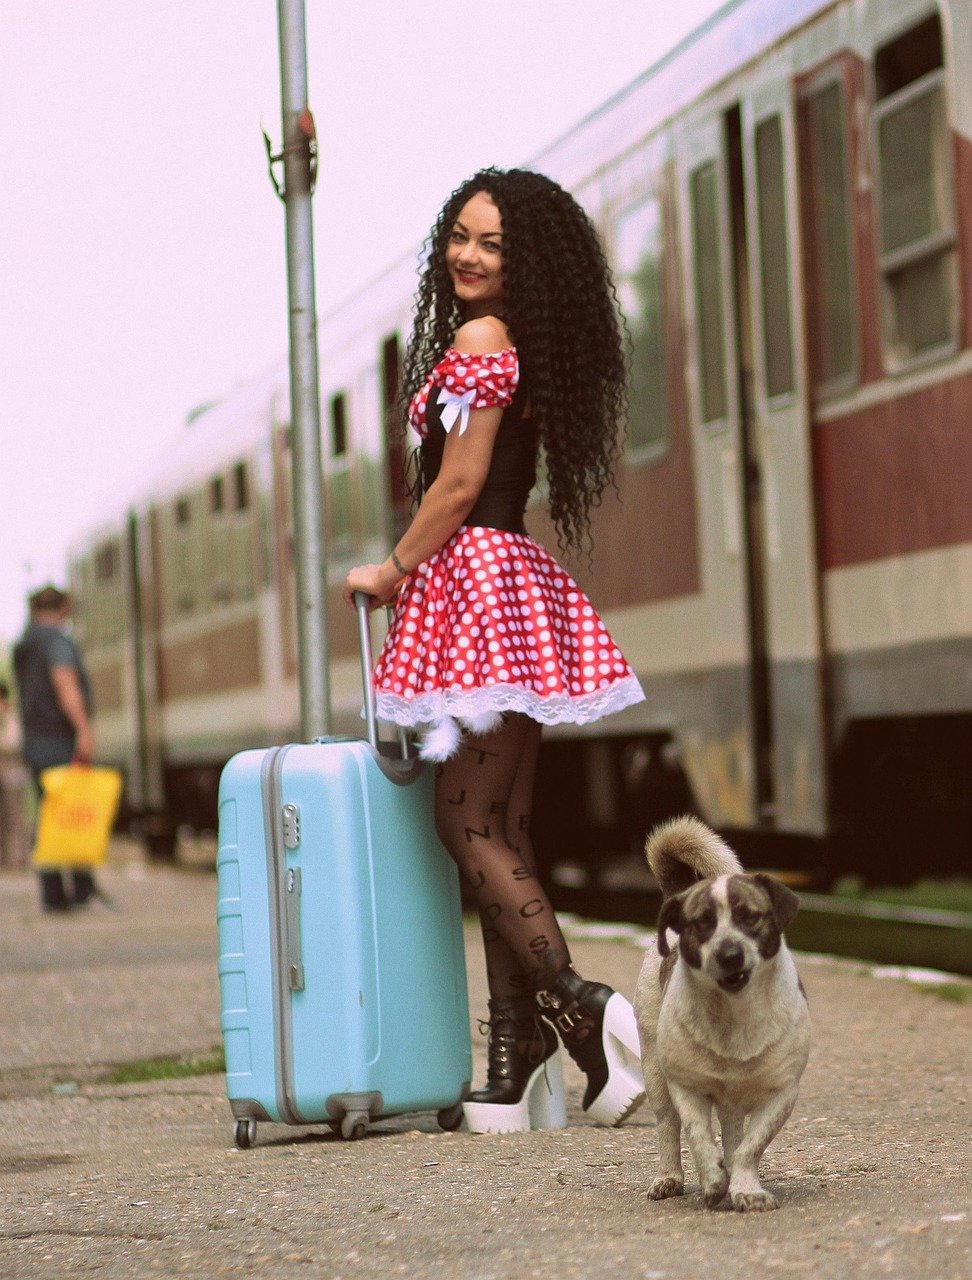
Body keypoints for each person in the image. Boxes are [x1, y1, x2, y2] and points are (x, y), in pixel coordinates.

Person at [344, 168, 647, 1133]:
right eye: (461, 238)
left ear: (526, 265)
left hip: (472, 581)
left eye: (493, 246)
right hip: (512, 582)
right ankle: (513, 1064)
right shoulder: (521, 344)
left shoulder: (479, 341)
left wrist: (392, 568)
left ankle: (583, 1012)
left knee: (462, 824)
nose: (468, 258)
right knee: (504, 831)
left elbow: (460, 482)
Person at [13, 584, 103, 912]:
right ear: (62, 608)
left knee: (49, 816)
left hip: (34, 743)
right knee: (75, 814)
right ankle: (82, 889)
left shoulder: (23, 645)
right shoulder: (57, 642)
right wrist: (82, 728)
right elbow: (64, 682)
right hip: (59, 741)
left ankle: (53, 894)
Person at [0, 680, 31, 870]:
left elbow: (15, 744)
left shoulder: (13, 721)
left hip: (13, 777)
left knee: (15, 818)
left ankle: (19, 858)